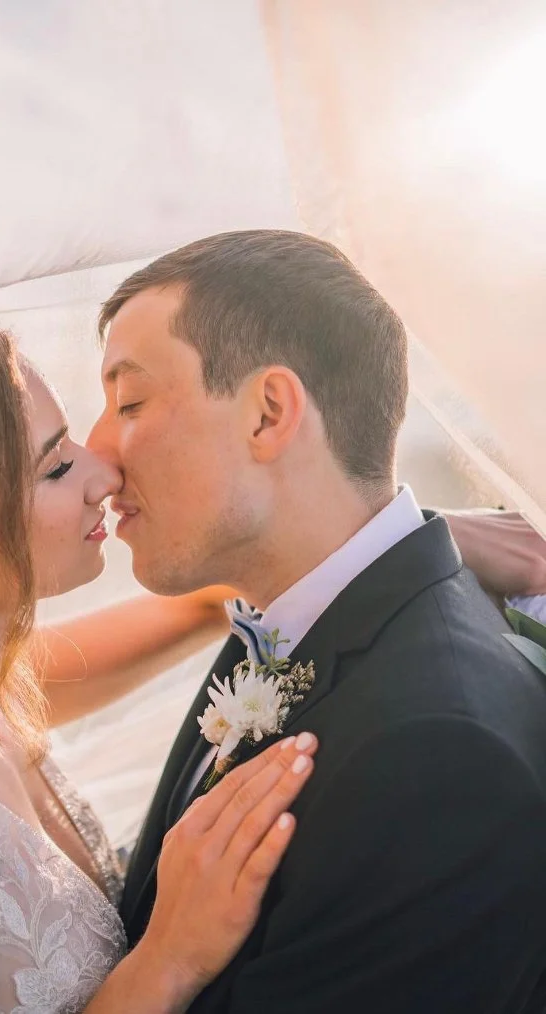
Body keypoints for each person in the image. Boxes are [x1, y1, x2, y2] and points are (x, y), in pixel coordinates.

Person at [0, 302, 541, 1014]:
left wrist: (372, 547)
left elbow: (65, 664)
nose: (103, 472)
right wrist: (164, 965)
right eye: (55, 466)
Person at [87, 229, 546, 1013]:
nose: (98, 453)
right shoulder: (283, 620)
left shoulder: (439, 752)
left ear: (269, 413)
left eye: (130, 401)